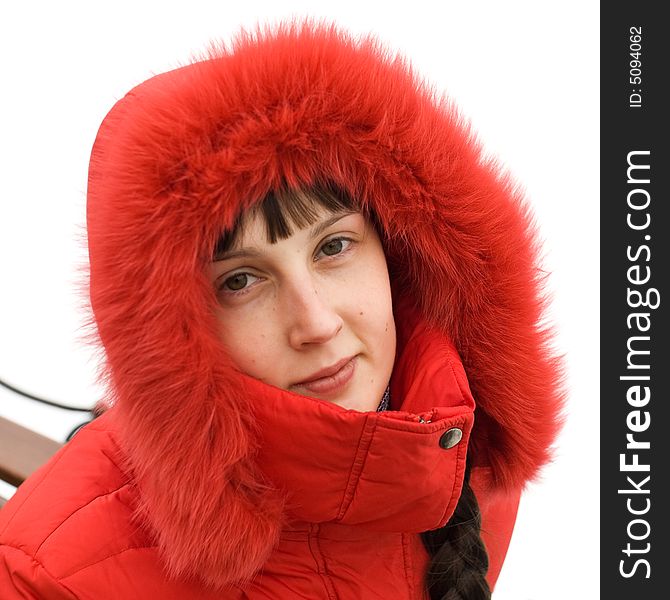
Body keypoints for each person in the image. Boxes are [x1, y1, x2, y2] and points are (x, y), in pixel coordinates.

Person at [0, 21, 564, 599]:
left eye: (334, 247)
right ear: (175, 329)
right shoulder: (43, 576)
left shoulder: (457, 454)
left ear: (397, 251)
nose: (316, 324)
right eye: (242, 281)